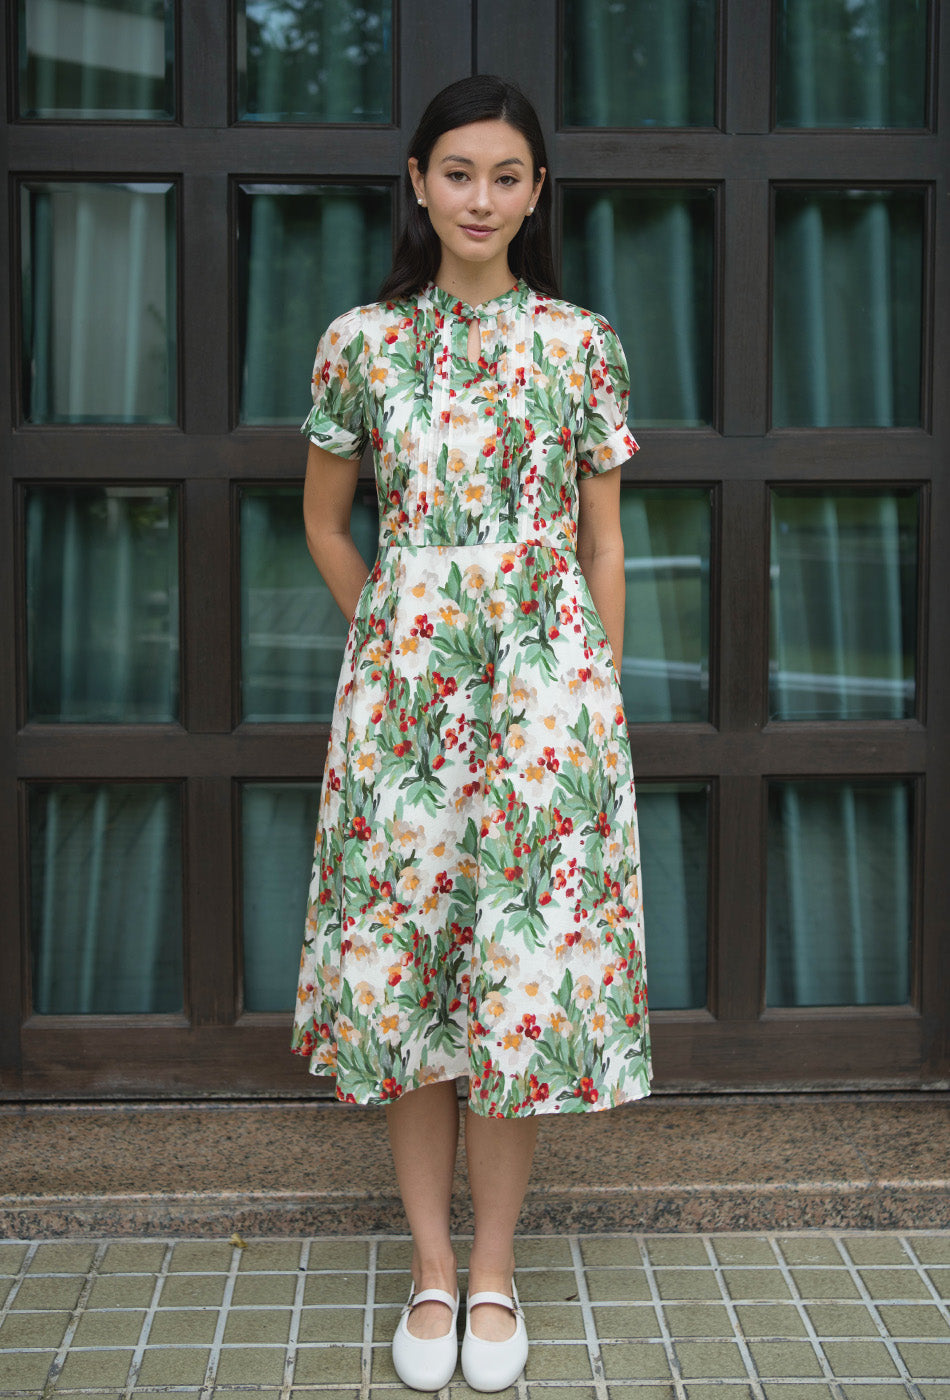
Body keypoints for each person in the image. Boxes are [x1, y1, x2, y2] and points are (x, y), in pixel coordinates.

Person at [291, 74, 651, 1393]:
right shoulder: (362, 344)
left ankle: (495, 1273)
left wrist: (587, 696)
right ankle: (428, 1273)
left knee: (510, 992)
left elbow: (602, 549)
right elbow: (329, 523)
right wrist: (392, 633)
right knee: (409, 993)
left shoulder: (580, 344)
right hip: (402, 721)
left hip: (544, 720)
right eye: (458, 172)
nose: (481, 198)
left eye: (506, 175)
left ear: (536, 191)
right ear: (415, 179)